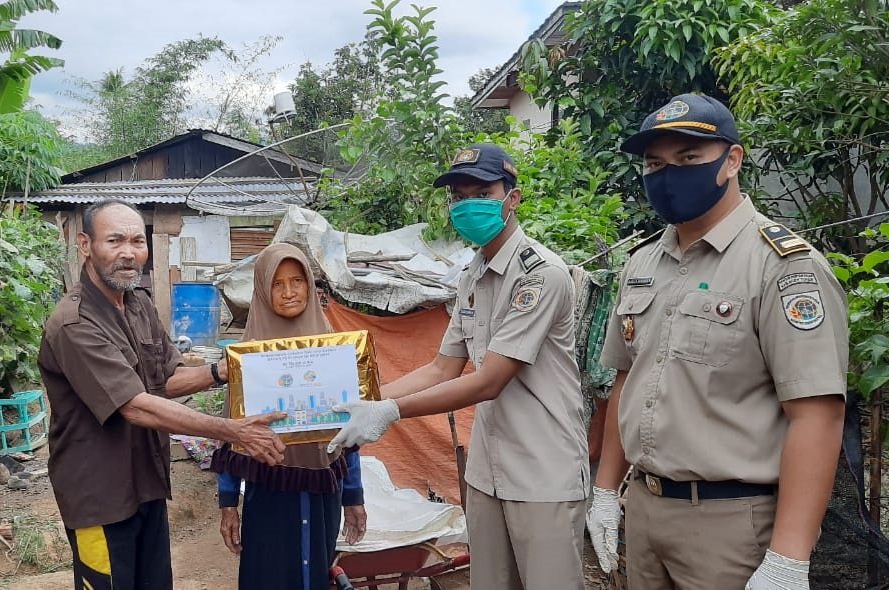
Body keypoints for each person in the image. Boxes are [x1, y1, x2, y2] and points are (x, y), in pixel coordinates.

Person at [586, 93, 848, 590]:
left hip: (731, 524)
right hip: (643, 509)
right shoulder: (641, 266)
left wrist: (789, 559)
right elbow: (627, 380)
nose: (669, 174)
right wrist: (604, 492)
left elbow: (817, 414)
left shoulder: (784, 266)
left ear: (731, 160)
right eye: (655, 163)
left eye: (689, 159)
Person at [328, 144, 591, 590]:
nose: (468, 203)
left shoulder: (540, 274)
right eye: (458, 195)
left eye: (482, 191)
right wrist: (368, 399)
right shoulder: (472, 273)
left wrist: (390, 413)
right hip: (487, 472)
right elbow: (441, 368)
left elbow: (489, 381)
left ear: (513, 197)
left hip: (543, 471)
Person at [38, 199, 287, 590]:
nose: (129, 253)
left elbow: (164, 379)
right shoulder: (74, 322)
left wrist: (225, 370)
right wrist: (233, 431)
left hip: (145, 483)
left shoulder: (139, 304)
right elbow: (134, 405)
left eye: (138, 241)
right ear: (85, 245)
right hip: (100, 495)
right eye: (115, 240)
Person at [211, 242, 367, 590]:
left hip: (324, 490)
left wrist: (353, 496)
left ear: (310, 286)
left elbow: (348, 430)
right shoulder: (248, 356)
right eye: (277, 284)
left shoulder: (332, 348)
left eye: (297, 281)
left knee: (316, 576)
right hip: (269, 491)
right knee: (268, 575)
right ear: (263, 291)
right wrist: (228, 504)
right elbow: (230, 436)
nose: (288, 292)